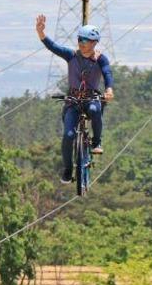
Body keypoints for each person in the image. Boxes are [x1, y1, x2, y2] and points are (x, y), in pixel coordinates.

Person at [35, 14, 114, 184]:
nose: (81, 43)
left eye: (85, 40)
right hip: (72, 101)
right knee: (68, 135)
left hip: (91, 98)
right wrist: (41, 33)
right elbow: (53, 47)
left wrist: (109, 89)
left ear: (94, 43)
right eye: (79, 39)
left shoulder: (100, 59)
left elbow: (107, 73)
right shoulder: (71, 55)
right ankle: (68, 169)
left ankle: (96, 142)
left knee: (94, 110)